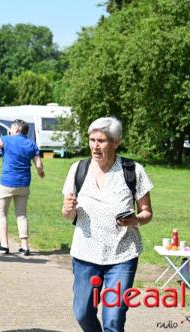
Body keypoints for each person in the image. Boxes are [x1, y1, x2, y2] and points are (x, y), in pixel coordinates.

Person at [62, 117, 153, 332]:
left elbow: (147, 212)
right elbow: (68, 214)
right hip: (86, 255)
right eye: (92, 140)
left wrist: (136, 219)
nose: (95, 145)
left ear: (116, 142)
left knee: (113, 318)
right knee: (83, 313)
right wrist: (68, 210)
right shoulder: (78, 168)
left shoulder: (133, 170)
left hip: (122, 255)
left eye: (101, 141)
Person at [0, 119, 44, 256]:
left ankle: (4, 244)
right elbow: (39, 165)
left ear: (16, 129)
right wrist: (41, 173)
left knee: (1, 213)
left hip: (7, 182)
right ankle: (24, 246)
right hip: (24, 183)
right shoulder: (31, 144)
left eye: (11, 127)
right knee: (21, 215)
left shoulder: (7, 139)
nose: (9, 129)